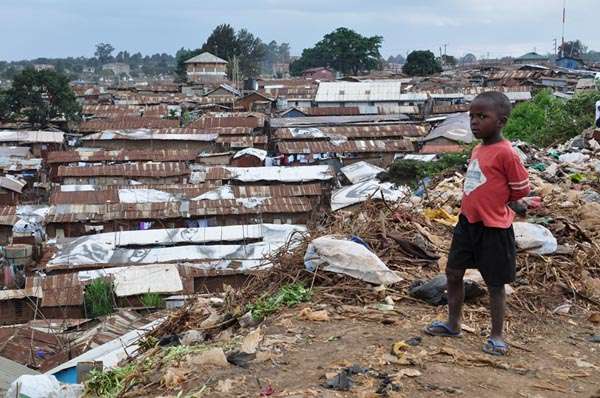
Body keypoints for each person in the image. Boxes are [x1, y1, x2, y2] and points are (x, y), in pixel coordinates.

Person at [424, 91, 531, 356]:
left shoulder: (507, 153)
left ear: (501, 121)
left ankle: (496, 335)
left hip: (493, 228)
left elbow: (520, 189)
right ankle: (453, 323)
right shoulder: (477, 149)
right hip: (467, 223)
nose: (475, 122)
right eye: (472, 116)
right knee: (453, 273)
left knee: (495, 283)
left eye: (482, 116)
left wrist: (508, 202)